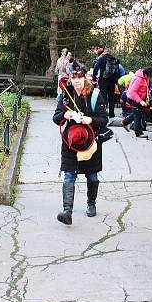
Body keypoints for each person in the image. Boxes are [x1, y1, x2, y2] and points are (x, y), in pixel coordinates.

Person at [52, 62, 109, 224]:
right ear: (70, 77)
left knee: (92, 176)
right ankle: (67, 211)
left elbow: (104, 119)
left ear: (85, 77)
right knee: (69, 175)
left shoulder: (95, 95)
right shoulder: (65, 94)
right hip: (70, 142)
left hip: (90, 143)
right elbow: (56, 118)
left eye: (79, 77)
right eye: (73, 77)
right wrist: (67, 116)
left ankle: (91, 203)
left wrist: (90, 119)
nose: (76, 81)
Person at [122, 67, 152, 138]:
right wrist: (140, 101)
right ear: (145, 75)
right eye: (149, 77)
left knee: (137, 113)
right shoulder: (138, 79)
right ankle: (138, 133)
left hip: (141, 98)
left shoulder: (146, 78)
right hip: (133, 98)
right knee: (137, 115)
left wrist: (148, 96)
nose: (150, 78)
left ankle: (125, 122)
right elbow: (132, 92)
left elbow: (146, 88)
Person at [92, 46, 121, 118]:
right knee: (111, 97)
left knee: (103, 97)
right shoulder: (114, 59)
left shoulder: (102, 59)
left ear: (104, 52)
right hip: (112, 81)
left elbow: (95, 68)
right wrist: (116, 80)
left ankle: (103, 113)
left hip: (103, 81)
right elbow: (118, 71)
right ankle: (112, 114)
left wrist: (94, 78)